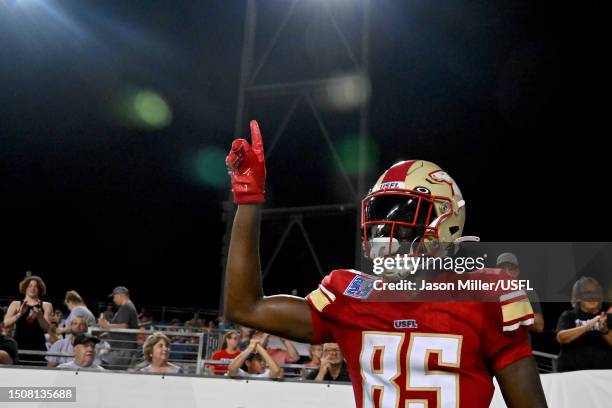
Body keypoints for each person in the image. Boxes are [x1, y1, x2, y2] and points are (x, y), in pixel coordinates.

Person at [223, 121, 547, 408]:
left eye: (404, 220)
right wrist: (249, 199)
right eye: (379, 221)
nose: (385, 234)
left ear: (448, 223)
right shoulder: (351, 294)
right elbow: (245, 308)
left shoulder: (485, 294)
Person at [556, 277, 612, 372]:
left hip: (604, 374)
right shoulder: (569, 315)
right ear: (578, 297)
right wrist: (587, 326)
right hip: (573, 374)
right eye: (587, 293)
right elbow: (561, 338)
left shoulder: (607, 317)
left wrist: (605, 331)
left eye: (595, 293)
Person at [3, 275, 53, 365]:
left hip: (38, 346)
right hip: (19, 344)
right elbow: (5, 324)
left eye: (36, 286)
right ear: (25, 288)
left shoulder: (46, 305)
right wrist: (19, 314)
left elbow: (47, 328)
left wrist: (39, 316)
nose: (32, 288)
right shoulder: (15, 304)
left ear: (40, 289)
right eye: (30, 285)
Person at [496, 252, 545, 333]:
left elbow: (539, 327)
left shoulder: (529, 293)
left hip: (520, 343)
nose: (507, 272)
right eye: (502, 268)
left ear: (517, 271)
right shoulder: (489, 294)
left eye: (511, 268)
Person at [98, 286, 139, 369]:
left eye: (114, 297)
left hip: (123, 349)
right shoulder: (127, 306)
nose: (114, 300)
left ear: (120, 295)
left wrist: (106, 326)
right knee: (104, 366)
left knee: (106, 369)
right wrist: (108, 333)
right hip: (121, 348)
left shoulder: (126, 307)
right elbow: (122, 327)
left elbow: (124, 326)